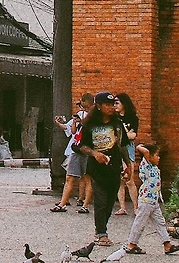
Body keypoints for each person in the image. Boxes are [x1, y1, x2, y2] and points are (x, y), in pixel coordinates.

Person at [75, 91, 131, 246]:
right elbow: (82, 146)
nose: (111, 107)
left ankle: (101, 228)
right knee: (100, 200)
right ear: (98, 106)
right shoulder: (89, 124)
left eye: (113, 104)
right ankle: (101, 233)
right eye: (107, 104)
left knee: (110, 201)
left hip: (114, 166)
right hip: (97, 168)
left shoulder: (117, 124)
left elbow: (122, 146)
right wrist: (95, 153)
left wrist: (128, 165)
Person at [124, 141, 179, 255]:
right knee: (140, 223)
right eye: (156, 155)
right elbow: (145, 151)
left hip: (154, 202)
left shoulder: (155, 167)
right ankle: (131, 245)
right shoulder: (146, 164)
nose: (158, 157)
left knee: (160, 223)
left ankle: (167, 244)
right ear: (149, 157)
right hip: (146, 200)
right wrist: (140, 147)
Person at [53, 93, 95, 213]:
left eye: (83, 103)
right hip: (77, 148)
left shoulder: (94, 114)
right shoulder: (80, 114)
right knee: (69, 177)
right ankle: (62, 203)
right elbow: (72, 131)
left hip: (88, 149)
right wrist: (76, 122)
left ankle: (85, 205)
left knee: (87, 178)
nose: (82, 106)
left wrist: (83, 120)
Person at [116, 93, 140, 216]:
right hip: (116, 150)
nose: (115, 105)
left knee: (129, 180)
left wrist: (122, 136)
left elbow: (133, 135)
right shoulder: (114, 118)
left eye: (117, 103)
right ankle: (122, 207)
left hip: (128, 149)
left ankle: (136, 207)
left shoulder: (132, 118)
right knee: (119, 180)